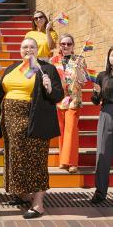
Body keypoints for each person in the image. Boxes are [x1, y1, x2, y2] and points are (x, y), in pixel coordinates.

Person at [0, 37, 63, 219]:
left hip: (34, 120)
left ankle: (38, 204)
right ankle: (23, 193)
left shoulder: (46, 68)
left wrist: (49, 88)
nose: (28, 50)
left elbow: (57, 95)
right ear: (20, 50)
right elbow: (0, 91)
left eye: (32, 47)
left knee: (36, 160)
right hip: (10, 121)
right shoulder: (12, 68)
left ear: (38, 49)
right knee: (15, 158)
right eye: (24, 47)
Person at [51, 34, 87, 174]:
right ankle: (63, 160)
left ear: (73, 46)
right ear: (60, 45)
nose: (66, 46)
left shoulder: (79, 59)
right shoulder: (54, 60)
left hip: (74, 100)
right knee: (61, 130)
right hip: (59, 100)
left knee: (71, 130)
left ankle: (72, 162)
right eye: (63, 44)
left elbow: (84, 81)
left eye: (69, 44)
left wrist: (78, 70)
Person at [90, 47, 113, 204]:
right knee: (103, 154)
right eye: (112, 55)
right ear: (109, 57)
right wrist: (96, 93)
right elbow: (95, 100)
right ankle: (100, 192)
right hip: (107, 113)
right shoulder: (102, 76)